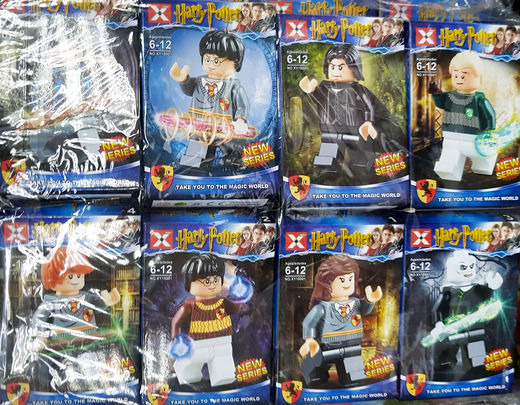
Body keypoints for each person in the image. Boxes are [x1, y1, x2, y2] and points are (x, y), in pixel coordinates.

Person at [299, 43, 404, 178]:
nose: (335, 71)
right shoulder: (325, 88)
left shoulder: (359, 90)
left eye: (340, 67)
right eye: (332, 67)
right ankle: (328, 173)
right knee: (327, 160)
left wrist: (368, 122)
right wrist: (310, 91)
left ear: (354, 69)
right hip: (331, 132)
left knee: (361, 160)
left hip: (355, 132)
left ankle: (364, 173)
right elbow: (318, 99)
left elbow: (369, 106)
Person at [169, 30, 249, 170]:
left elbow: (242, 104)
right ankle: (195, 168)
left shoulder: (234, 86)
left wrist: (240, 120)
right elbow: (189, 89)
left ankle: (233, 162)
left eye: (216, 60)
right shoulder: (198, 82)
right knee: (196, 154)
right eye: (207, 59)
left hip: (225, 129)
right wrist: (183, 79)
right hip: (200, 127)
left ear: (235, 63)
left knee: (232, 149)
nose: (211, 64)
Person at [299, 255, 382, 385]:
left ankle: (351, 381)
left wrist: (370, 300)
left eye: (350, 279)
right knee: (317, 371)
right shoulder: (323, 307)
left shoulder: (356, 303)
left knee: (354, 377)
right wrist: (310, 339)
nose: (347, 284)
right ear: (327, 283)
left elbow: (365, 310)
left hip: (352, 345)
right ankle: (315, 376)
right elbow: (309, 322)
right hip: (328, 345)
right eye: (342, 280)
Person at [170, 254, 249, 386]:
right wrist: (177, 340)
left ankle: (221, 383)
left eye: (216, 280)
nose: (212, 284)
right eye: (207, 281)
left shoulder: (222, 302)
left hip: (222, 344)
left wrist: (239, 295)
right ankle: (184, 370)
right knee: (188, 371)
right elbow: (176, 322)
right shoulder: (190, 305)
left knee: (225, 376)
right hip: (196, 344)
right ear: (190, 283)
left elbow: (235, 308)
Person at [424, 251, 502, 376]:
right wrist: (439, 323)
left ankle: (477, 371)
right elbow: (437, 309)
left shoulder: (480, 289)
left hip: (473, 329)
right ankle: (444, 368)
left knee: (476, 358)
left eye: (471, 266)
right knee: (445, 356)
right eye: (463, 267)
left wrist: (493, 286)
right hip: (450, 329)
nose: (468, 270)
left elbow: (490, 297)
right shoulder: (447, 290)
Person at [429, 51, 496, 181]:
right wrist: (436, 94)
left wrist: (488, 131)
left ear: (480, 79)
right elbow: (440, 103)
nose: (459, 79)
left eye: (464, 75)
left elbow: (489, 115)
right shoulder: (449, 96)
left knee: (481, 156)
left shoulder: (479, 100)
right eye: (456, 75)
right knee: (448, 161)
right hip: (451, 136)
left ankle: (485, 163)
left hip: (474, 137)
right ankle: (449, 172)